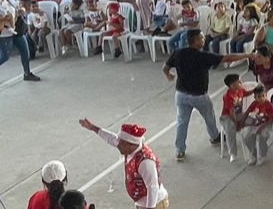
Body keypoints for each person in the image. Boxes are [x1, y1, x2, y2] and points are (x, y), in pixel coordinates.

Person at [162, 28, 249, 161]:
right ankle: (214, 137)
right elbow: (227, 58)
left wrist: (169, 75)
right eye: (201, 38)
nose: (204, 40)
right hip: (199, 96)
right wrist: (247, 55)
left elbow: (165, 67)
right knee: (209, 117)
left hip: (181, 95)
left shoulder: (178, 53)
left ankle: (180, 151)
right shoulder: (203, 56)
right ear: (195, 40)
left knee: (181, 122)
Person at [78, 119, 168, 209]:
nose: (118, 145)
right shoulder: (130, 148)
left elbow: (152, 187)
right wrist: (93, 128)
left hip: (155, 204)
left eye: (121, 144)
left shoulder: (145, 162)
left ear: (130, 145)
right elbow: (111, 138)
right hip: (143, 203)